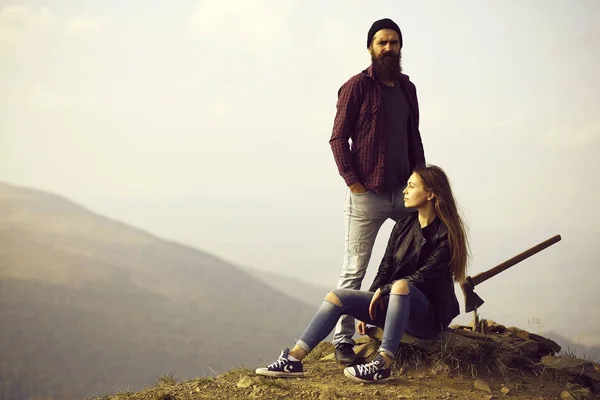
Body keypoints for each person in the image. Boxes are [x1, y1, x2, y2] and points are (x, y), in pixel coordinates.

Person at [255, 165, 469, 384]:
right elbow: (386, 268)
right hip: (394, 304)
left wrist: (385, 290)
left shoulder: (447, 233)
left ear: (431, 194)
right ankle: (294, 359)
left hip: (426, 317)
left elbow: (424, 276)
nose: (405, 190)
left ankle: (383, 363)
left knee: (401, 285)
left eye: (411, 186)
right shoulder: (404, 225)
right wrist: (369, 303)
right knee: (336, 296)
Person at [329, 17, 427, 365]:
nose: (388, 48)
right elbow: (338, 138)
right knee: (354, 269)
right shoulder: (356, 87)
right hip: (366, 195)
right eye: (381, 42)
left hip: (404, 194)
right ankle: (342, 340)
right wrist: (353, 183)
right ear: (370, 47)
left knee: (413, 259)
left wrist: (422, 182)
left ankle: (403, 326)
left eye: (394, 42)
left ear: (400, 48)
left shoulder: (407, 89)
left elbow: (413, 137)